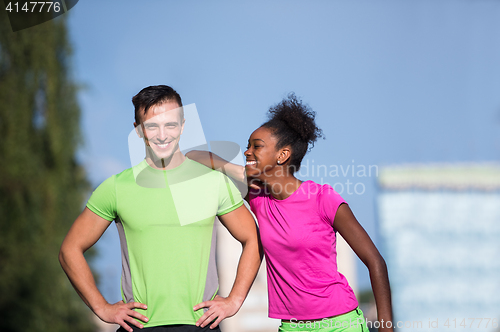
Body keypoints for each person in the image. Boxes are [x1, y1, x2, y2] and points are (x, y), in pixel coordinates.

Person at [59, 85, 261, 332]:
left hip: (200, 325)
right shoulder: (116, 187)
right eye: (152, 125)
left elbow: (252, 238)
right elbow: (70, 249)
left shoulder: (213, 182)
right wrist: (102, 308)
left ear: (183, 125)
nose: (162, 135)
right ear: (138, 129)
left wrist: (235, 300)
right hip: (140, 326)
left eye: (170, 125)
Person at [186, 94, 393, 332]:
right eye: (247, 146)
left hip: (341, 323)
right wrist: (235, 169)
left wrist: (386, 328)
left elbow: (375, 261)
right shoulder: (258, 197)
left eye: (257, 146)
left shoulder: (322, 198)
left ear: (282, 155)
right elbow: (194, 156)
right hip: (291, 327)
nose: (247, 152)